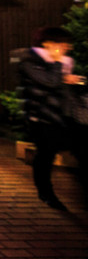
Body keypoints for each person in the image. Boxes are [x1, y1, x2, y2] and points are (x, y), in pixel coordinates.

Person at [18, 26, 88, 211]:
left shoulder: (64, 62)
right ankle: (46, 193)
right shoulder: (29, 61)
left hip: (65, 117)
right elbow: (50, 82)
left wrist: (76, 81)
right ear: (48, 43)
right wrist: (58, 65)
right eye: (63, 43)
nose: (67, 48)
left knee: (82, 150)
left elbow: (67, 83)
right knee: (46, 155)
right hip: (42, 118)